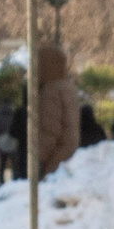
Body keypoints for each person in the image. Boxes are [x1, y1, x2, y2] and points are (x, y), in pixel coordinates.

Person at [31, 45, 79, 181]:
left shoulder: (51, 90)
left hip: (56, 157)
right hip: (69, 153)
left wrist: (38, 158)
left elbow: (50, 129)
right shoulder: (68, 87)